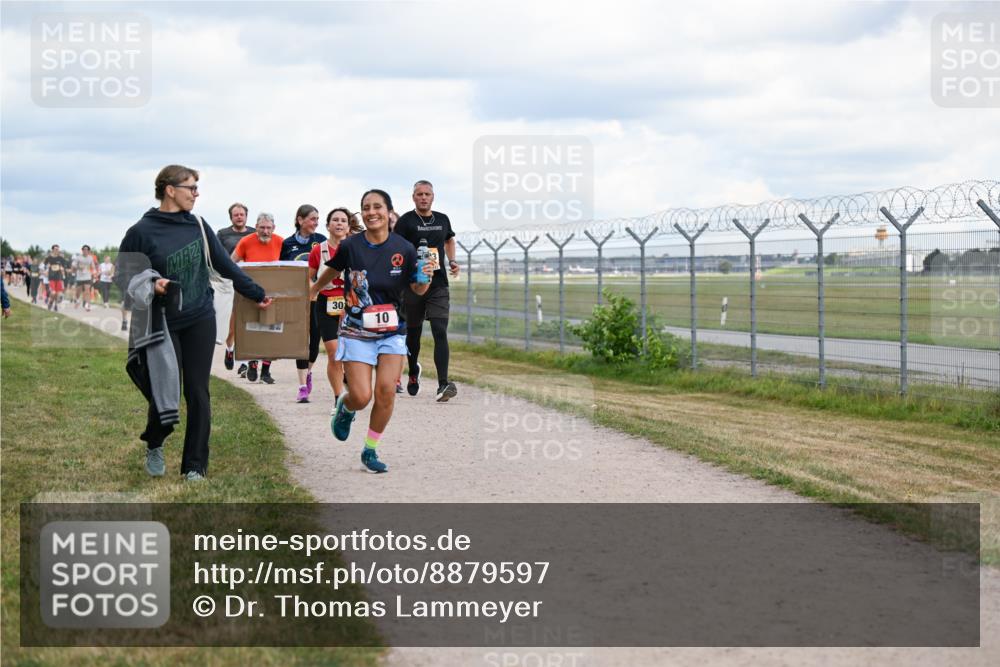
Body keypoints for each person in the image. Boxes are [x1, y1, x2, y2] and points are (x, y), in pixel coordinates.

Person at [116, 164, 272, 482]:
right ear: (170, 189)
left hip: (200, 315)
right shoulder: (141, 232)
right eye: (191, 188)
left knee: (198, 391)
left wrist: (255, 292)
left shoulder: (198, 225)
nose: (196, 194)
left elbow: (223, 264)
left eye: (197, 188)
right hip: (162, 322)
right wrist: (153, 285)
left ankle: (194, 465)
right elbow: (124, 278)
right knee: (166, 390)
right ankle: (155, 443)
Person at [311, 189, 433, 473]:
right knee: (362, 396)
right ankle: (347, 405)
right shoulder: (352, 245)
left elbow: (417, 288)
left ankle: (370, 450)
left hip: (392, 331)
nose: (371, 212)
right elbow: (332, 269)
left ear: (389, 212)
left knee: (386, 390)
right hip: (356, 330)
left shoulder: (404, 248)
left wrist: (425, 278)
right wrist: (314, 289)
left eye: (377, 207)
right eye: (366, 208)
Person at [393, 180, 460, 401]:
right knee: (414, 334)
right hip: (413, 285)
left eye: (427, 194)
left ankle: (443, 384)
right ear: (413, 197)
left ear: (433, 197)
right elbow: (396, 249)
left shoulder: (442, 219)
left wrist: (452, 261)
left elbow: (449, 239)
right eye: (419, 194)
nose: (423, 197)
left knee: (440, 329)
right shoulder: (405, 221)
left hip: (438, 283)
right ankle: (413, 371)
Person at [307, 207, 354, 408]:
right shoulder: (319, 250)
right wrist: (313, 290)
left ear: (348, 226)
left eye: (343, 220)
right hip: (326, 304)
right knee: (334, 354)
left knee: (351, 354)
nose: (339, 223)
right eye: (335, 220)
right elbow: (309, 278)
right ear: (328, 225)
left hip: (351, 306)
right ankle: (338, 399)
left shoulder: (354, 249)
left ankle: (351, 382)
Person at [281, 205, 327, 403]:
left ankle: (308, 372)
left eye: (317, 219)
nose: (316, 223)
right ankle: (301, 386)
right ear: (300, 220)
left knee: (314, 342)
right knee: (301, 341)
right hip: (297, 299)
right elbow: (282, 269)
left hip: (318, 298)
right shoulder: (287, 243)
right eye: (312, 219)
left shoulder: (321, 241)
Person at [231, 212, 284, 384]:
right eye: (262, 227)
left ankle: (266, 371)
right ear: (256, 227)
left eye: (269, 228)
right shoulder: (246, 241)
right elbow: (231, 262)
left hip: (273, 293)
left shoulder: (280, 241)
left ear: (273, 228)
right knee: (253, 329)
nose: (265, 231)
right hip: (251, 293)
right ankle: (252, 363)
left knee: (272, 332)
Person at [217, 203, 255, 374]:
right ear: (231, 217)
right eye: (236, 215)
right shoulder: (223, 234)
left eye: (242, 214)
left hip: (249, 279)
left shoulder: (254, 233)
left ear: (246, 216)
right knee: (232, 325)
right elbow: (216, 255)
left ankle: (245, 361)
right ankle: (230, 349)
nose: (239, 217)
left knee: (248, 321)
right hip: (229, 281)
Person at [72, 245, 98, 311]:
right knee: (78, 292)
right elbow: (74, 266)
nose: (85, 251)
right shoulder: (78, 258)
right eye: (84, 250)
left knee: (87, 291)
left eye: (87, 250)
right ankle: (77, 300)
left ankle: (87, 305)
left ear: (88, 251)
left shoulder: (90, 258)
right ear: (82, 250)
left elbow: (93, 266)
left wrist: (94, 272)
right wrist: (79, 267)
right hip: (79, 277)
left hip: (87, 276)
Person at [43, 245, 69, 311]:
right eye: (55, 249)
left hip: (59, 277)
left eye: (58, 249)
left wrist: (62, 268)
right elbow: (45, 266)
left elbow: (65, 265)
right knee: (53, 293)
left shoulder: (61, 258)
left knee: (57, 294)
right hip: (51, 277)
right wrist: (46, 269)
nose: (57, 250)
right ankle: (50, 302)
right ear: (52, 250)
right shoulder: (49, 258)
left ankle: (55, 305)